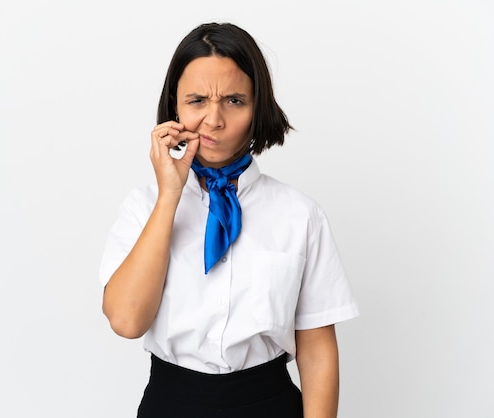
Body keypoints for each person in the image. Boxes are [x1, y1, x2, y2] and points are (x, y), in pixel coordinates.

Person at [99, 22, 359, 418]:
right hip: (172, 404)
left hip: (268, 403)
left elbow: (318, 350)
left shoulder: (299, 214)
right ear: (175, 106)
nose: (214, 120)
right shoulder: (143, 206)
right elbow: (127, 320)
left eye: (235, 100)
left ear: (259, 106)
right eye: (197, 100)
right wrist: (169, 195)